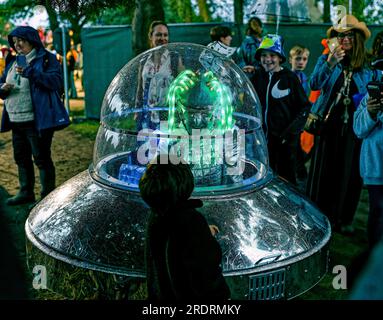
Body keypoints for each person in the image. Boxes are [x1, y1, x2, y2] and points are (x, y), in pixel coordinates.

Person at [306, 15, 378, 233]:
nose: (345, 39)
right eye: (340, 35)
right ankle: (320, 216)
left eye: (349, 35)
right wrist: (330, 63)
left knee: (350, 174)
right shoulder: (327, 59)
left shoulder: (368, 66)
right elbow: (315, 83)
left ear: (357, 38)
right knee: (323, 171)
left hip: (355, 129)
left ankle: (343, 219)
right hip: (329, 126)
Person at [139, 155, 230, 301]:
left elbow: (173, 245)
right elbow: (206, 273)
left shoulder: (156, 215)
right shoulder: (191, 221)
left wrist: (203, 232)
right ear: (186, 182)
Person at [0, 26, 69, 206]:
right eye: (14, 42)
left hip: (37, 121)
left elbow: (56, 82)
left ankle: (47, 199)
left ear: (31, 39)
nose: (17, 45)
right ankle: (26, 192)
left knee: (42, 158)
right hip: (15, 120)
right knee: (21, 157)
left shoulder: (46, 58)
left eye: (21, 40)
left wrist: (31, 72)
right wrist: (2, 90)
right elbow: (2, 83)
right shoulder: (12, 62)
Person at [251, 34, 311, 186]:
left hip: (285, 142)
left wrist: (290, 134)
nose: (268, 59)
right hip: (261, 142)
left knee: (286, 179)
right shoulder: (257, 76)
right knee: (263, 178)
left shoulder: (289, 78)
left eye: (272, 55)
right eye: (264, 55)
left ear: (280, 58)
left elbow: (304, 107)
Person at [135, 21, 183, 130]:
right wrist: (137, 110)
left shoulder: (174, 58)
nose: (162, 38)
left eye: (165, 35)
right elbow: (140, 89)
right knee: (149, 145)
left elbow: (183, 87)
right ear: (150, 37)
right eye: (158, 35)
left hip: (167, 114)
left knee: (164, 146)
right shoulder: (143, 60)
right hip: (147, 113)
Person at [353, 91, 383, 248]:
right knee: (377, 210)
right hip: (376, 166)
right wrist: (370, 113)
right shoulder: (371, 96)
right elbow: (358, 129)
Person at [289, 45, 311, 189]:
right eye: (297, 59)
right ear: (290, 59)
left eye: (304, 59)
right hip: (290, 122)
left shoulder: (305, 79)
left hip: (302, 122)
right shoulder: (287, 77)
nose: (301, 62)